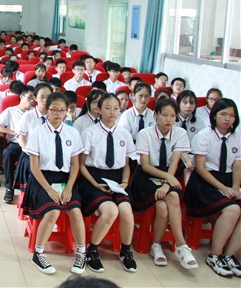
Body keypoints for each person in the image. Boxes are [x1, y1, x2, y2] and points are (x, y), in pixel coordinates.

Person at [128, 98, 198, 270]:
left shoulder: (180, 133)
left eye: (173, 116)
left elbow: (174, 162)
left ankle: (157, 245)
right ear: (156, 115)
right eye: (164, 115)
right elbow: (145, 166)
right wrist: (168, 178)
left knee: (163, 206)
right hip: (146, 177)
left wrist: (167, 183)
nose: (169, 119)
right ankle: (182, 245)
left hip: (168, 175)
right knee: (172, 198)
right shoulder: (145, 134)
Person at [22, 92, 87, 275]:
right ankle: (38, 253)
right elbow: (34, 167)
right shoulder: (38, 133)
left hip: (65, 180)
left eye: (62, 110)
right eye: (54, 110)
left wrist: (69, 188)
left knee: (75, 211)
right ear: (47, 110)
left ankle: (82, 253)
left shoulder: (72, 133)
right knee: (53, 211)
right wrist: (50, 190)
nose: (58, 114)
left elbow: (75, 165)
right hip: (42, 180)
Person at [79, 93, 137, 273]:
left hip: (117, 179)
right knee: (111, 211)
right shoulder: (90, 133)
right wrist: (95, 184)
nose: (112, 112)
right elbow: (80, 165)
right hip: (93, 178)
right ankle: (92, 250)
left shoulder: (124, 133)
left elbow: (126, 165)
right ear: (99, 109)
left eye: (116, 108)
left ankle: (126, 251)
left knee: (126, 211)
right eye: (108, 108)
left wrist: (125, 182)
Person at [184, 98, 241, 277]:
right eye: (223, 114)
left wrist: (235, 188)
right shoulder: (204, 136)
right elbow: (200, 168)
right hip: (204, 182)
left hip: (228, 180)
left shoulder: (237, 137)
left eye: (232, 115)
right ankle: (214, 255)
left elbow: (238, 166)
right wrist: (224, 188)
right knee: (232, 210)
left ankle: (229, 255)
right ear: (214, 115)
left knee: (236, 205)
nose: (228, 119)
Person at [0, 85, 34, 204]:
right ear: (21, 96)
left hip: (30, 144)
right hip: (16, 143)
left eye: (33, 98)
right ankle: (9, 188)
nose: (32, 101)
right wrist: (14, 132)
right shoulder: (10, 111)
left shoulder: (34, 113)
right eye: (29, 97)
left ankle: (30, 189)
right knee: (8, 153)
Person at [14, 83, 53, 193]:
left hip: (49, 154)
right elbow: (21, 139)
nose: (45, 100)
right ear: (35, 98)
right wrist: (32, 154)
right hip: (30, 154)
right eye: (42, 97)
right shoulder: (28, 116)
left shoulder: (54, 116)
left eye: (48, 97)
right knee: (31, 165)